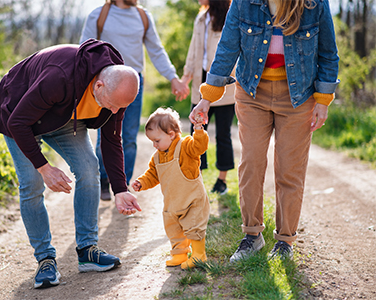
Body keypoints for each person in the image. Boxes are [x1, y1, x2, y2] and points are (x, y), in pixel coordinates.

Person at [190, 0, 339, 262]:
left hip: (299, 96)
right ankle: (252, 236)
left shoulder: (314, 4)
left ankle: (284, 242)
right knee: (252, 163)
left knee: (289, 169)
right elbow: (227, 47)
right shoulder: (243, 2)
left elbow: (328, 52)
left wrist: (323, 100)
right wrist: (207, 97)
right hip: (251, 93)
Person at [0, 38, 142, 289]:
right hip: (20, 111)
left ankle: (87, 250)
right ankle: (45, 259)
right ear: (98, 86)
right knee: (31, 183)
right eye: (113, 105)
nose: (116, 111)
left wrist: (120, 189)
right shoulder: (59, 77)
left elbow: (111, 140)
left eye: (122, 107)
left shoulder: (116, 92)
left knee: (88, 167)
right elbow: (18, 123)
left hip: (64, 115)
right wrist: (44, 167)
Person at [80, 0, 189, 201]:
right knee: (106, 133)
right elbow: (84, 49)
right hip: (107, 83)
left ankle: (122, 185)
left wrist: (173, 77)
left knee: (129, 136)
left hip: (134, 83)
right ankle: (104, 180)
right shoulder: (99, 15)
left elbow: (156, 50)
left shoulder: (143, 16)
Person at [131, 108, 209, 269]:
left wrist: (199, 130)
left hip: (192, 199)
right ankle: (180, 254)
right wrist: (142, 182)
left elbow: (200, 147)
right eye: (152, 141)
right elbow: (153, 175)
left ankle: (199, 255)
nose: (154, 145)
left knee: (193, 226)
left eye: (157, 140)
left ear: (171, 134)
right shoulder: (157, 156)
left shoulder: (186, 146)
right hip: (172, 203)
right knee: (174, 229)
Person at [181, 0, 235, 195]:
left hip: (224, 82)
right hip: (200, 81)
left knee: (223, 133)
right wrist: (185, 78)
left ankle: (222, 180)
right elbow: (193, 51)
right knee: (195, 130)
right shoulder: (200, 17)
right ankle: (197, 177)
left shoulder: (230, 14)